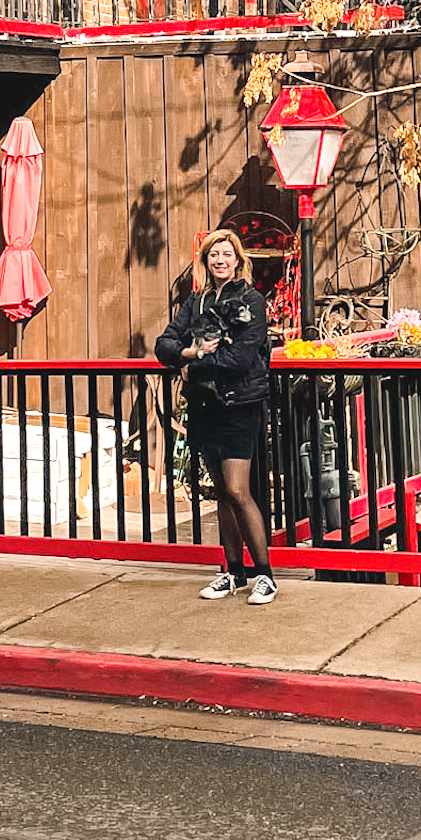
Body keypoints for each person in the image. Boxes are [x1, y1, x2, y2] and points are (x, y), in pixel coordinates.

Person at [155, 228, 277, 605]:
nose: (220, 260)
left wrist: (195, 365)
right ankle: (232, 571)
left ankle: (265, 575)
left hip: (240, 403)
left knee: (239, 490)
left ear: (238, 260)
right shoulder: (197, 301)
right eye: (213, 255)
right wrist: (191, 354)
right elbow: (165, 344)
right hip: (204, 405)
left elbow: (240, 358)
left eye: (226, 254)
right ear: (205, 262)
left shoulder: (252, 301)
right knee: (221, 492)